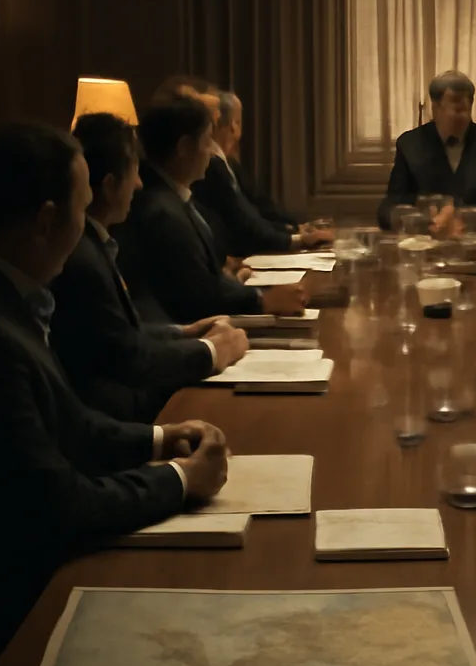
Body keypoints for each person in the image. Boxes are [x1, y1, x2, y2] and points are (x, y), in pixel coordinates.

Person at [0, 123, 229, 666]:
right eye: (82, 208)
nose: (89, 228)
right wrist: (182, 481)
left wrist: (159, 439)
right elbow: (53, 504)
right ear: (48, 220)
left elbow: (70, 422)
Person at [51, 113, 249, 422]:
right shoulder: (82, 258)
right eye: (134, 173)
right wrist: (212, 351)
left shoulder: (95, 244)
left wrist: (182, 332)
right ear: (109, 185)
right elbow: (129, 359)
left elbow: (118, 334)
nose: (141, 184)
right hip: (122, 419)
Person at [114, 97, 308, 323]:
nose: (212, 153)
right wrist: (262, 299)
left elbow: (207, 280)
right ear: (185, 147)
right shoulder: (162, 212)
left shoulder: (174, 197)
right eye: (207, 142)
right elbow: (198, 299)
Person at [377, 70, 476, 233]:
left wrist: (470, 218)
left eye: (465, 109)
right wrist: (424, 220)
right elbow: (388, 209)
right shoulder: (410, 144)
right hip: (427, 243)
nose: (462, 117)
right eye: (455, 110)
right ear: (435, 108)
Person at [192, 91, 332, 257]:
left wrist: (295, 232)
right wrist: (298, 239)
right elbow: (244, 226)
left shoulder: (226, 163)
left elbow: (257, 210)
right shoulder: (213, 167)